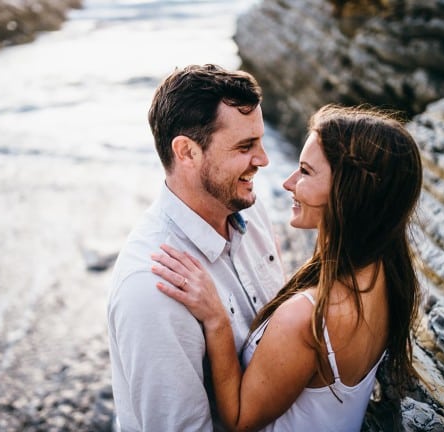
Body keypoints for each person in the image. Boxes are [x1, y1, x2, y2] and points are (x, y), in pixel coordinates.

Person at [152, 104, 423, 432]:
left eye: (306, 172)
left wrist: (216, 320)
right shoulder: (387, 273)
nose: (288, 182)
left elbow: (239, 420)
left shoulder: (307, 318)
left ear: (348, 193)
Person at [107, 64, 285, 431]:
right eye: (245, 146)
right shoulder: (153, 288)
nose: (263, 159)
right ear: (186, 152)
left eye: (261, 141)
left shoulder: (251, 211)